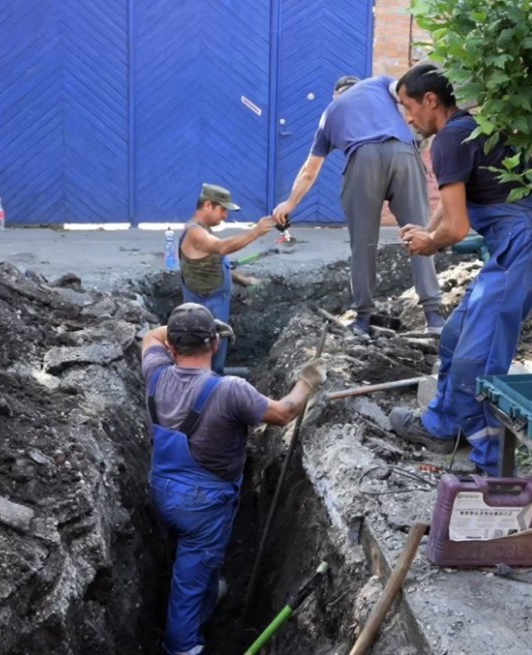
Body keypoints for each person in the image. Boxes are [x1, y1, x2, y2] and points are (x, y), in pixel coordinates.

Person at [386, 62, 532, 475]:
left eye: (408, 107)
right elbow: (450, 211)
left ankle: (491, 467)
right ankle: (442, 426)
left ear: (431, 101)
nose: (407, 118)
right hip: (516, 245)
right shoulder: (469, 129)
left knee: (478, 360)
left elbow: (458, 226)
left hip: (521, 249)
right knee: (455, 336)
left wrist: (431, 242)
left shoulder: (447, 141)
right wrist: (424, 230)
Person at [142, 303, 326, 655]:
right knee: (188, 583)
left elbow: (152, 335)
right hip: (204, 504)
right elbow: (285, 412)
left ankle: (208, 592)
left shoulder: (156, 372)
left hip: (162, 489)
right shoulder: (231, 390)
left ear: (173, 347)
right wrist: (307, 381)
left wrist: (183, 326)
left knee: (190, 562)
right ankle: (182, 647)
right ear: (215, 344)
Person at [272, 75, 444, 337]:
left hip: (363, 160)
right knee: (420, 232)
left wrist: (290, 203)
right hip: (404, 153)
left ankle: (363, 320)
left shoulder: (330, 113)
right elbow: (409, 97)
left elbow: (310, 170)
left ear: (337, 95)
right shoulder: (379, 84)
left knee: (363, 243)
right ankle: (434, 316)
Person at [179, 183, 276, 374]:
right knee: (207, 356)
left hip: (214, 303)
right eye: (223, 210)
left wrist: (243, 279)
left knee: (216, 353)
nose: (226, 215)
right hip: (206, 309)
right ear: (208, 205)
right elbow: (223, 247)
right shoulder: (195, 233)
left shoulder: (203, 230)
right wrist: (256, 231)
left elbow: (212, 263)